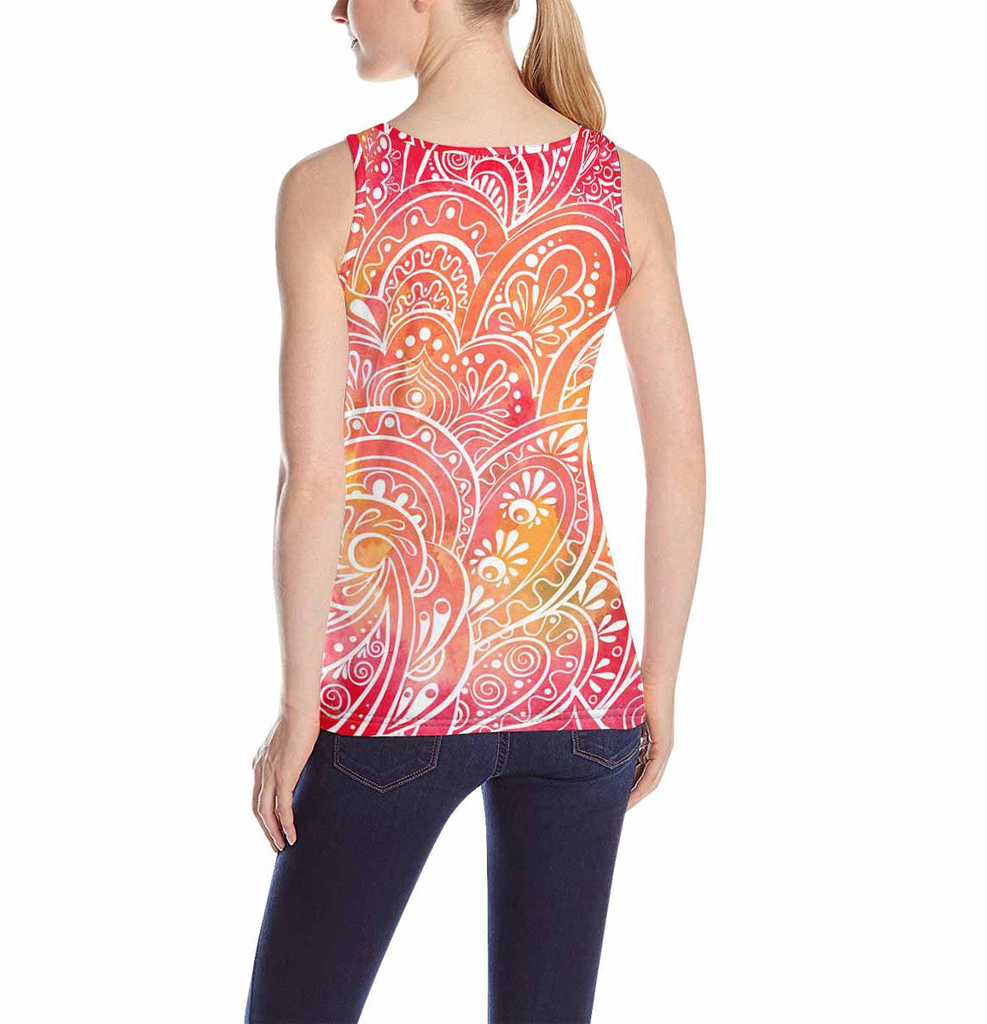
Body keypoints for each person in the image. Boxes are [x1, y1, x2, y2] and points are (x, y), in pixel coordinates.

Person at [244, 0, 705, 1020]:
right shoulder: (618, 184)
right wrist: (658, 683)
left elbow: (314, 480)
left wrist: (298, 709)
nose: (336, 10)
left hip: (393, 690)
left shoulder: (331, 189)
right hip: (579, 688)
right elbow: (678, 461)